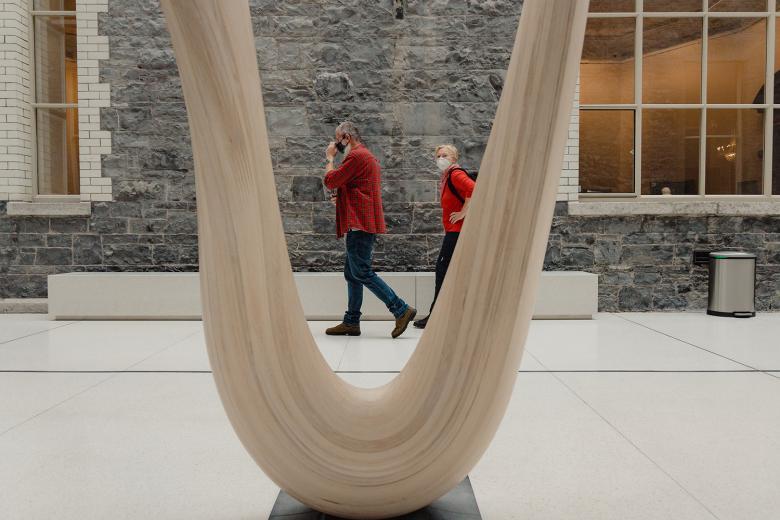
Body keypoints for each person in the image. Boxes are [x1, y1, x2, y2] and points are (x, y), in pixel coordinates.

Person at [322, 122, 417, 338]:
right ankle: (351, 321)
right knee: (352, 274)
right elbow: (359, 189)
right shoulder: (366, 156)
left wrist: (329, 158)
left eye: (337, 138)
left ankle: (400, 309)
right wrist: (342, 198)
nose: (336, 143)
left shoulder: (356, 156)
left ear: (346, 137)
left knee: (361, 272)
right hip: (362, 222)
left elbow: (331, 180)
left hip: (359, 224)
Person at [414, 144, 475, 329]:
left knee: (442, 269)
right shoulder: (447, 176)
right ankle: (448, 314)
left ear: (454, 158)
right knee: (452, 271)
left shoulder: (455, 174)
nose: (441, 158)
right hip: (454, 231)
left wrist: (463, 212)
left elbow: (474, 188)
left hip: (457, 231)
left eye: (445, 155)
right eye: (438, 155)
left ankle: (436, 316)